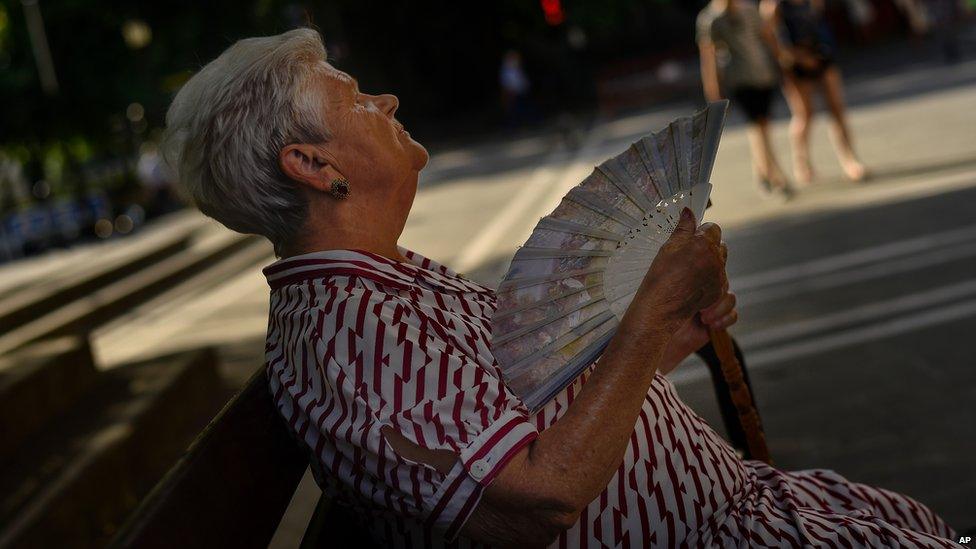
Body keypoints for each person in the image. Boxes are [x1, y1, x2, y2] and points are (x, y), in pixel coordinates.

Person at [162, 29, 960, 547]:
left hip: (750, 511)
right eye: (357, 98)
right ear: (314, 166)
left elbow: (526, 416)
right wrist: (643, 322)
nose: (387, 101)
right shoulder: (348, 337)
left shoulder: (381, 286)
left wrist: (659, 342)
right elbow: (537, 500)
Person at [760, 0, 869, 185]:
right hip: (795, 64)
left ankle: (849, 160)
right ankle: (802, 163)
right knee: (805, 114)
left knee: (837, 108)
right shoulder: (774, 5)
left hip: (821, 54)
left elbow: (818, 22)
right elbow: (769, 36)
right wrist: (792, 57)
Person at [697, 0, 794, 200]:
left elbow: (767, 36)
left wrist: (781, 60)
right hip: (740, 79)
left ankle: (762, 174)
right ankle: (776, 176)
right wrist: (713, 90)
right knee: (757, 125)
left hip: (762, 74)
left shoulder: (749, 10)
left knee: (763, 125)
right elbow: (708, 57)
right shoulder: (710, 19)